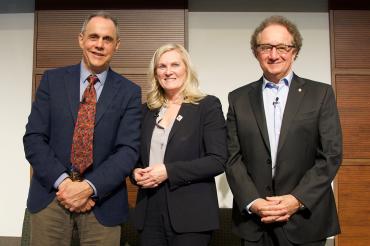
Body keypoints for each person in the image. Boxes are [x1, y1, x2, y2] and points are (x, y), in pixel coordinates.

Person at [23, 11, 141, 245]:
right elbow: (34, 138)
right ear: (81, 39)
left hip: (102, 203)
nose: (99, 44)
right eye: (93, 37)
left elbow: (128, 151)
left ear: (117, 45)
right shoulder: (51, 80)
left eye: (107, 39)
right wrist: (65, 184)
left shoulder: (129, 92)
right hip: (51, 197)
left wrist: (88, 188)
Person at [225, 15, 342, 246]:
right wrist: (254, 202)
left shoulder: (321, 94)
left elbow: (331, 155)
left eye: (282, 47)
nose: (273, 54)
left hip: (305, 220)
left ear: (295, 51)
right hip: (255, 222)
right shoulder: (238, 98)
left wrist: (296, 200)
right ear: (255, 52)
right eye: (266, 47)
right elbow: (232, 157)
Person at [132, 43, 227, 246]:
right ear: (155, 72)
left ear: (186, 69)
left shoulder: (207, 106)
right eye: (162, 66)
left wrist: (169, 171)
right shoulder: (146, 111)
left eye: (175, 65)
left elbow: (218, 160)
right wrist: (135, 173)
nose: (168, 72)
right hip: (149, 212)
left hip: (191, 215)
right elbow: (135, 157)